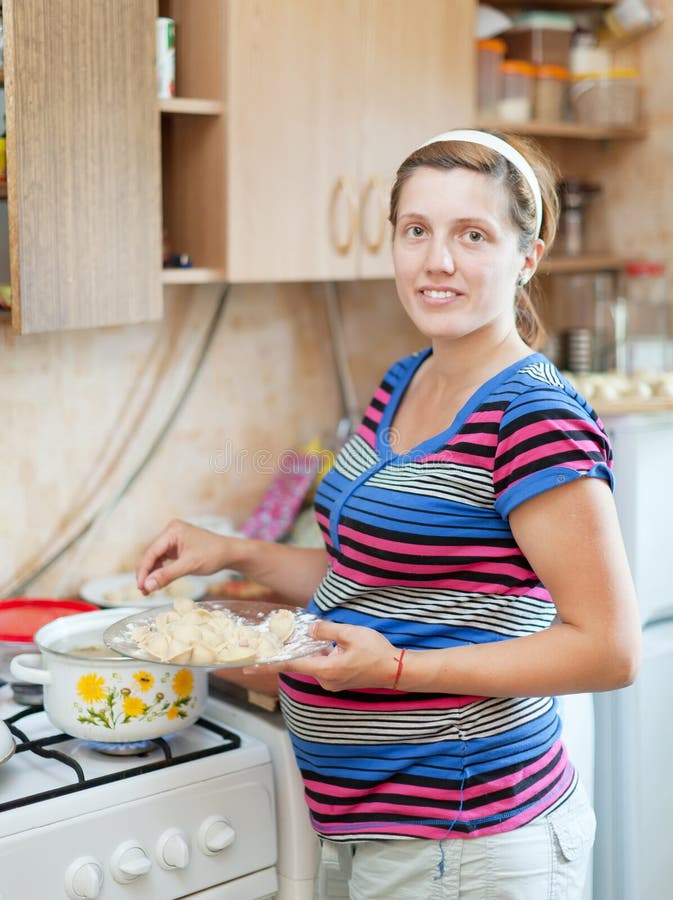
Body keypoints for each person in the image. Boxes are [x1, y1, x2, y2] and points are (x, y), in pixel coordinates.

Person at [137, 129, 641, 899]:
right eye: (417, 231)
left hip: (466, 832)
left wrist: (398, 671)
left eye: (472, 235)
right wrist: (234, 552)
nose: (437, 261)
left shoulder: (532, 414)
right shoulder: (402, 381)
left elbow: (608, 650)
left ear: (526, 257)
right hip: (365, 821)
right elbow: (371, 579)